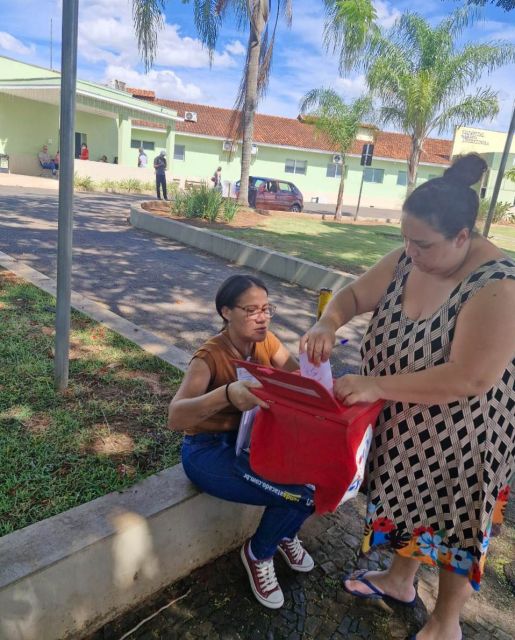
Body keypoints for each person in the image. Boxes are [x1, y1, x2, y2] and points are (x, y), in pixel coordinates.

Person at [301, 153, 514, 640]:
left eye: (422, 244)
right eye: (405, 239)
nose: (410, 252)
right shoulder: (408, 258)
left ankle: (446, 622)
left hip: (467, 432)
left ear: (463, 236)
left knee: (457, 521)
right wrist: (328, 322)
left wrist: (376, 385)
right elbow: (353, 295)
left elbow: (471, 378)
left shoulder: (499, 285)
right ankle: (399, 581)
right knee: (407, 497)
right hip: (405, 418)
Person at [168, 274, 315, 609]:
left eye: (267, 309)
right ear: (226, 312)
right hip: (208, 452)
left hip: (251, 441)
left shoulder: (267, 342)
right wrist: (226, 394)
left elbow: (298, 381)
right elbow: (175, 417)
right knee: (298, 495)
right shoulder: (208, 357)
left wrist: (314, 365)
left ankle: (284, 534)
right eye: (251, 310)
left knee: (319, 478)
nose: (262, 318)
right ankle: (258, 553)